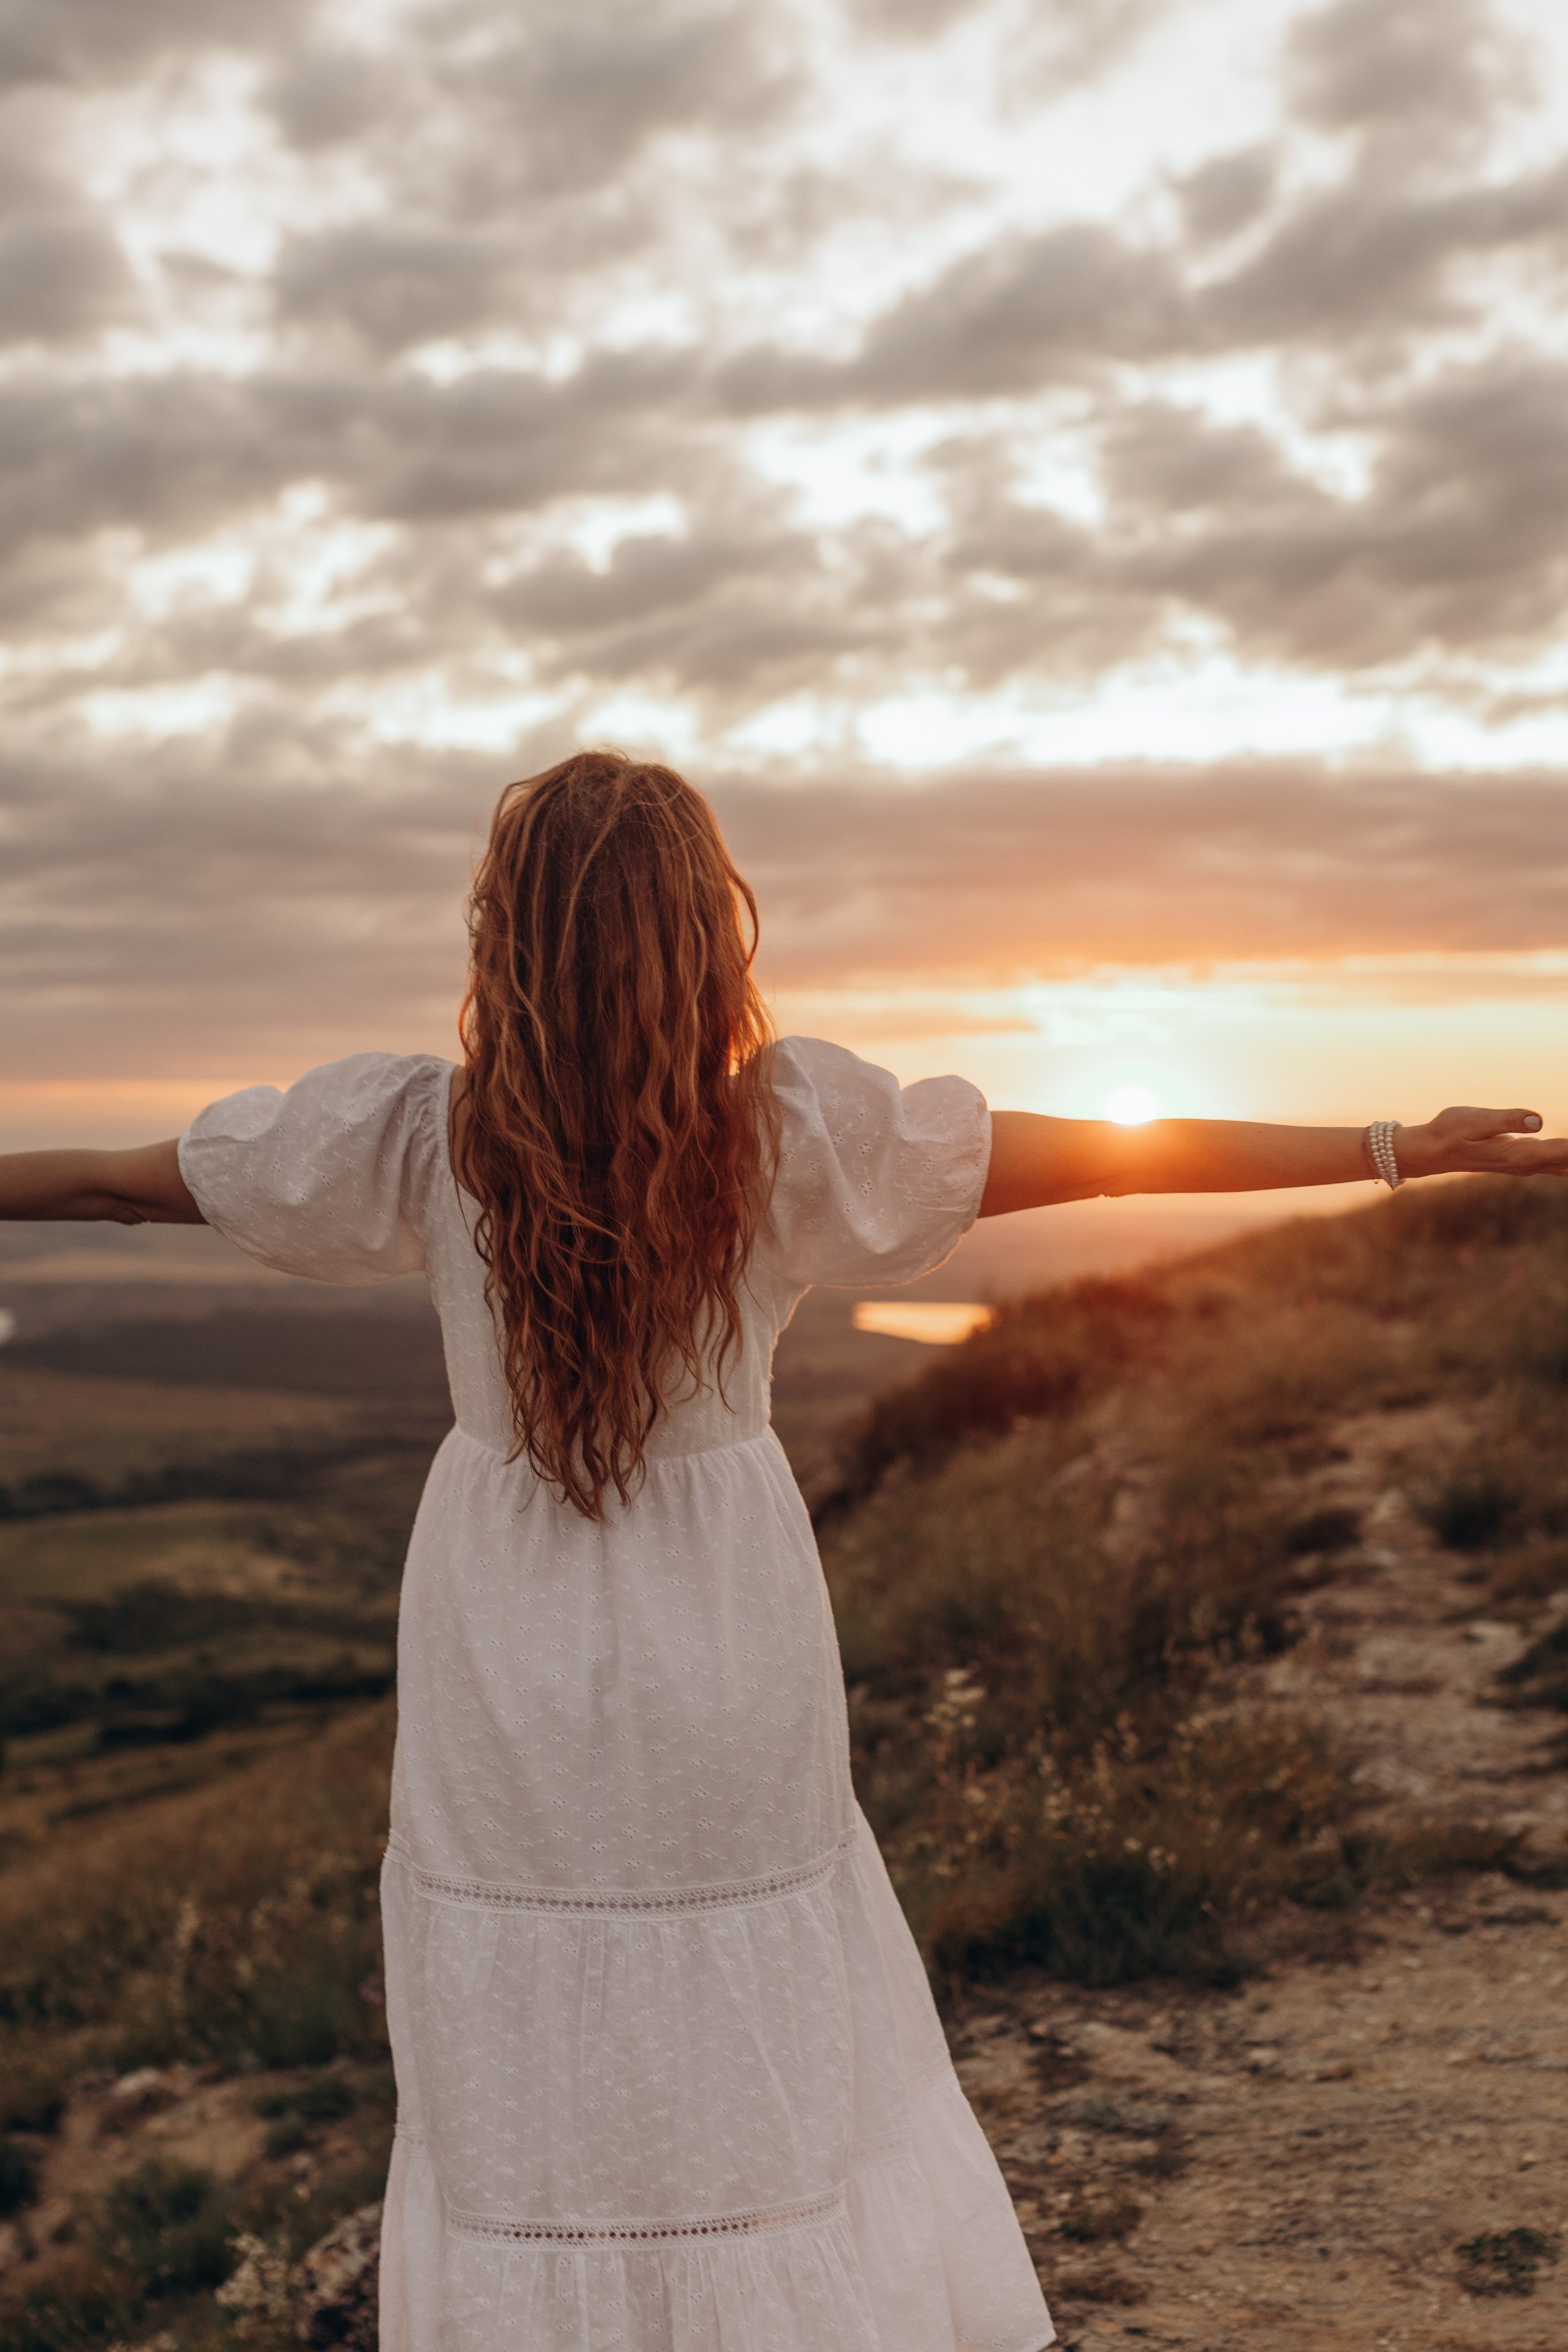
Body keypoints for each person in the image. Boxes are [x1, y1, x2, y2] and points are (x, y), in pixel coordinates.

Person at [2, 750, 1563, 2352]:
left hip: (501, 1620)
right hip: (723, 1606)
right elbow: (1102, 1149)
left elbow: (129, 1188)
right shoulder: (789, 1136)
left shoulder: (421, 1136)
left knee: (520, 1986)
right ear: (706, 929)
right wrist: (1392, 1142)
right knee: (753, 1980)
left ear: (506, 936)